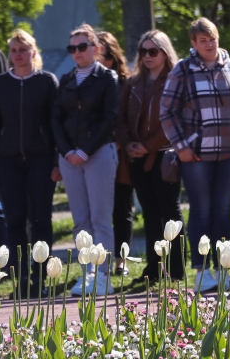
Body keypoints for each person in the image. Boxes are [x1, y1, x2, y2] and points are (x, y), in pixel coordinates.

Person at [160, 18, 230, 293]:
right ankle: (202, 272)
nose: (209, 44)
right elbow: (166, 111)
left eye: (213, 38)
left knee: (222, 212)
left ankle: (225, 270)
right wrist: (181, 146)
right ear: (193, 43)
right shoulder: (183, 70)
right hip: (196, 156)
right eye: (203, 40)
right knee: (201, 212)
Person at [52, 23, 119, 295]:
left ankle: (103, 275)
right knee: (81, 220)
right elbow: (56, 119)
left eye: (82, 46)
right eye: (72, 48)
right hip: (70, 156)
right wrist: (67, 151)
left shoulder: (107, 78)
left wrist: (85, 150)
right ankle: (86, 272)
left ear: (96, 48)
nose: (77, 52)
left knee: (100, 218)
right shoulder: (66, 80)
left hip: (99, 152)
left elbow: (110, 117)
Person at [117, 30, 185, 284]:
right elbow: (120, 118)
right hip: (136, 157)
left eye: (153, 51)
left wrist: (148, 145)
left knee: (170, 212)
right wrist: (129, 143)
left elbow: (175, 118)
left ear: (165, 52)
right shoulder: (133, 82)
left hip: (165, 156)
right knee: (149, 213)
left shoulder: (175, 79)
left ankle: (176, 270)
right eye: (143, 51)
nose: (147, 56)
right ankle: (153, 270)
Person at [0, 30, 58, 296]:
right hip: (8, 161)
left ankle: (39, 280)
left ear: (34, 52)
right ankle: (21, 280)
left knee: (41, 220)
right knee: (14, 222)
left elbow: (55, 124)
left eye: (23, 49)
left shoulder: (47, 82)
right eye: (13, 50)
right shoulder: (1, 83)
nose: (18, 54)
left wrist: (57, 161)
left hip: (41, 159)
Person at [96, 31, 135, 277]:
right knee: (97, 211)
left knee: (122, 208)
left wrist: (119, 142)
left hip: (120, 155)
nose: (100, 60)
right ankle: (97, 259)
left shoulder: (125, 82)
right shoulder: (86, 82)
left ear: (113, 55)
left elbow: (129, 118)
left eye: (104, 55)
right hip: (92, 153)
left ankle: (121, 261)